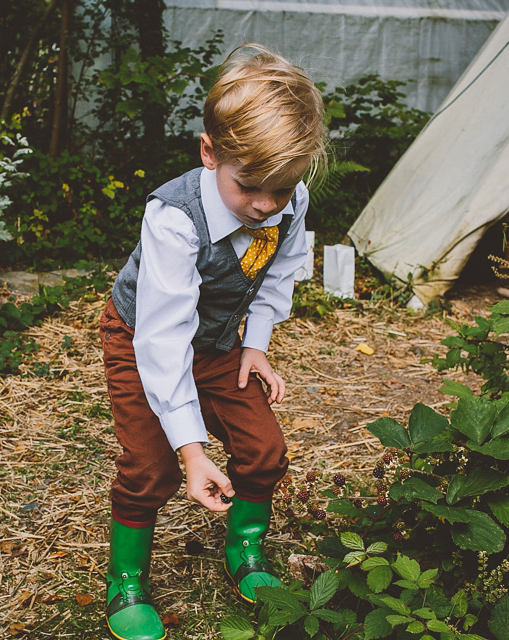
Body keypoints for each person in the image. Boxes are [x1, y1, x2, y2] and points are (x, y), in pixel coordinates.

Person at [100, 44, 327, 639]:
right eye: (251, 186)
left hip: (222, 342)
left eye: (284, 189)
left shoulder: (287, 199)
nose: (266, 205)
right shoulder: (173, 220)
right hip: (143, 340)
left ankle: (245, 548)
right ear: (209, 152)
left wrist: (256, 343)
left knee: (265, 450)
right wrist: (192, 448)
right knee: (152, 468)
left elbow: (279, 270)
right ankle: (126, 576)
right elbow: (164, 335)